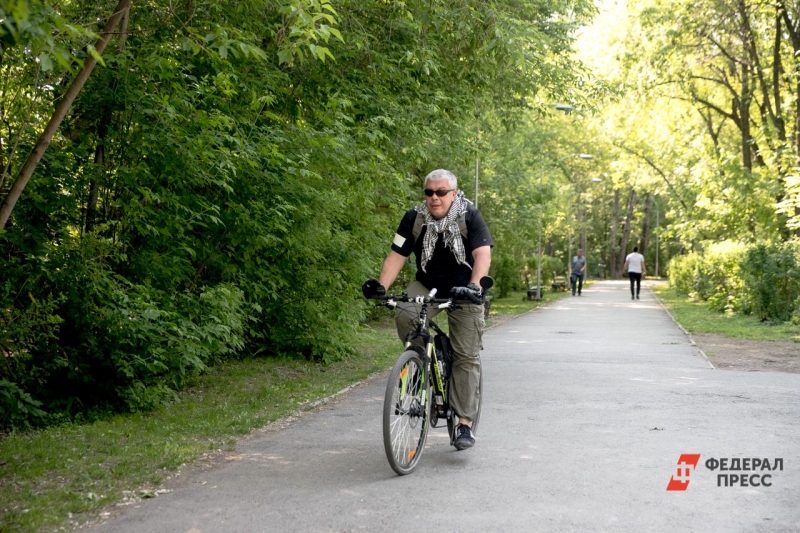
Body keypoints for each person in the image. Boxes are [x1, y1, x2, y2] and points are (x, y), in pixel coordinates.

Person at [361, 169, 493, 451]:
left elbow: (482, 255)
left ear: (453, 193)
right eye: (429, 192)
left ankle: (464, 423)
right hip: (428, 285)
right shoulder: (414, 218)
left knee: (465, 356)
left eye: (441, 192)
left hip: (464, 289)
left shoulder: (470, 216)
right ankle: (419, 363)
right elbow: (397, 256)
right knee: (406, 314)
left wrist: (474, 286)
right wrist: (381, 287)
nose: (434, 198)